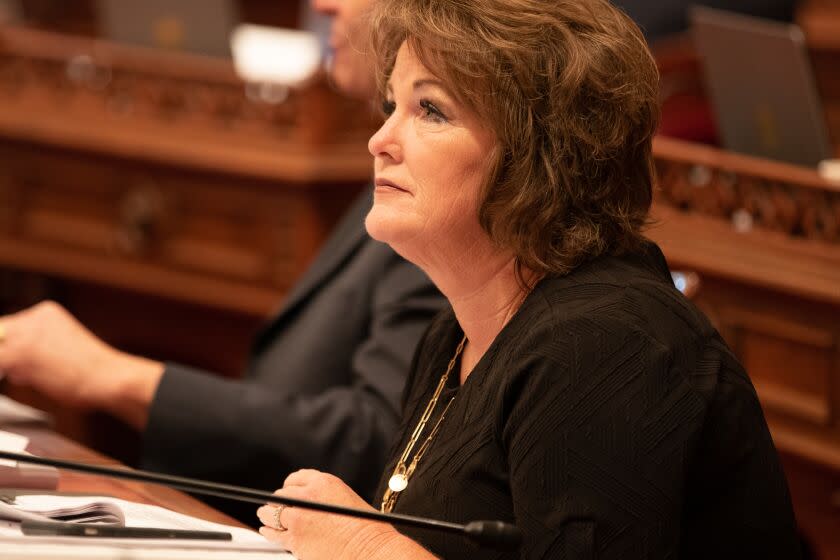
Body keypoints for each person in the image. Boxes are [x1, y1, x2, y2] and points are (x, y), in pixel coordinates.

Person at [254, 0, 802, 558]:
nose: (380, 141)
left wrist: (358, 544)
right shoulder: (452, 335)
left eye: (431, 111)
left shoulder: (606, 345)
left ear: (537, 156)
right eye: (392, 104)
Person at [0, 0, 444, 523]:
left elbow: (381, 442)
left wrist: (111, 375)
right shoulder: (390, 157)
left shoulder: (432, 198)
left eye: (430, 109)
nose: (321, 5)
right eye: (396, 107)